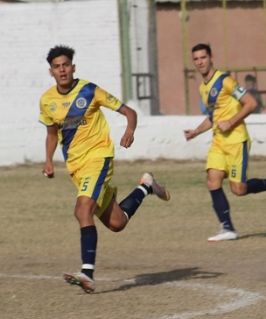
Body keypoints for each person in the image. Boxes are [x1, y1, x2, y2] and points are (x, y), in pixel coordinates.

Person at [39, 45, 170, 293]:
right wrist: (48, 160)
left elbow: (129, 111)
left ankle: (87, 273)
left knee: (82, 209)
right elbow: (51, 133)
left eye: (66, 64)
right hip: (76, 168)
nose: (62, 70)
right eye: (57, 66)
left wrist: (129, 130)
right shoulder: (47, 101)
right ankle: (146, 186)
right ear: (51, 72)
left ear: (73, 67)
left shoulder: (89, 90)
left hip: (99, 158)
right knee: (117, 223)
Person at [183, 43, 266, 242]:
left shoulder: (225, 81)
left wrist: (231, 122)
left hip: (236, 140)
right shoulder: (203, 87)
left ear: (211, 57)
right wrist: (196, 132)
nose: (200, 62)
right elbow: (214, 116)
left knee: (238, 189)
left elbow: (251, 103)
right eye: (196, 59)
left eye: (203, 57)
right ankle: (227, 228)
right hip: (218, 142)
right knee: (212, 181)